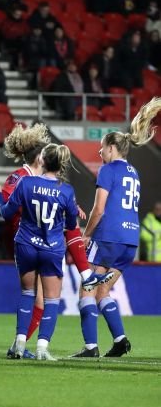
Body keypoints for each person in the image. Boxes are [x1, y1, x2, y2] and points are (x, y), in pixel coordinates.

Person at [0, 124, 111, 359]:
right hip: (36, 239)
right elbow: (9, 209)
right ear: (41, 157)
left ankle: (18, 345)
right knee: (46, 299)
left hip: (28, 241)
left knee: (34, 298)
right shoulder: (21, 177)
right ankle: (86, 274)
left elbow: (10, 205)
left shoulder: (29, 180)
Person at [73, 99, 161, 358]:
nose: (100, 153)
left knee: (86, 289)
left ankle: (90, 347)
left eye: (102, 148)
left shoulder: (108, 170)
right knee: (103, 291)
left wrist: (86, 234)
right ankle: (121, 339)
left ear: (112, 148)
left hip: (108, 237)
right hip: (129, 241)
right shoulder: (134, 172)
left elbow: (98, 209)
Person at [0, 144, 81, 360]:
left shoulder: (26, 183)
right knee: (51, 300)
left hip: (26, 245)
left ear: (42, 160)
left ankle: (20, 343)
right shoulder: (66, 190)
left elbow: (6, 212)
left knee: (27, 294)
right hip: (52, 248)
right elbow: (70, 224)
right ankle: (42, 347)